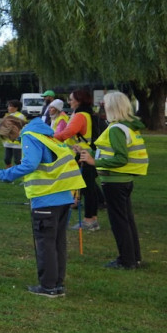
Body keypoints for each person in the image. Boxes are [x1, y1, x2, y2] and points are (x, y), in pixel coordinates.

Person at [0, 113, 84, 297]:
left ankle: (48, 286)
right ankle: (57, 283)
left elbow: (29, 165)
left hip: (45, 198)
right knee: (58, 242)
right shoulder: (45, 134)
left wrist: (0, 174)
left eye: (10, 137)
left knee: (45, 243)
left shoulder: (29, 137)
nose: (13, 141)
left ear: (14, 130)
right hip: (63, 196)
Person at [78, 92, 148, 269]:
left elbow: (120, 158)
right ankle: (134, 257)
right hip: (123, 180)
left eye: (105, 105)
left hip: (114, 181)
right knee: (127, 220)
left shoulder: (116, 129)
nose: (102, 108)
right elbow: (109, 153)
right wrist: (90, 154)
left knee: (119, 222)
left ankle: (126, 261)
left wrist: (95, 161)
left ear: (112, 107)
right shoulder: (128, 126)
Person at [54, 88, 100, 231]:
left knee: (88, 188)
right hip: (88, 152)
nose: (69, 101)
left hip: (84, 154)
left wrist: (49, 138)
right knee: (90, 187)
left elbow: (68, 133)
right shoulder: (87, 113)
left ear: (78, 100)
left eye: (71, 99)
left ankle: (89, 220)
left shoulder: (80, 115)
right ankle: (92, 218)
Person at [1, 99, 28, 167]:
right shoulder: (7, 115)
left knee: (17, 160)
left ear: (16, 108)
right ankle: (10, 172)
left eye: (10, 106)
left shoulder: (20, 116)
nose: (8, 107)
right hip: (8, 142)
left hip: (16, 142)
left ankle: (20, 172)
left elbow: (23, 127)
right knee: (7, 159)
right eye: (8, 106)